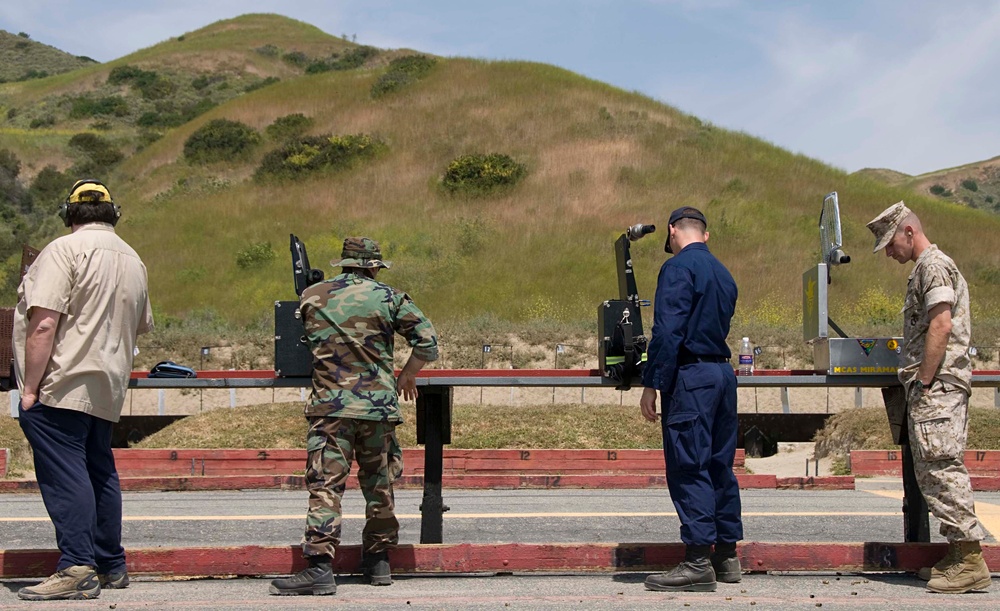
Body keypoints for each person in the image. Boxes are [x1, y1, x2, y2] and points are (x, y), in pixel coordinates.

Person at [270, 237, 438, 596]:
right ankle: (378, 561)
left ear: (344, 264)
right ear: (373, 266)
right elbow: (428, 341)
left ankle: (319, 567)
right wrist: (407, 374)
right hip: (377, 410)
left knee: (326, 485)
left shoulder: (312, 296)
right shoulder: (391, 297)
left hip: (331, 408)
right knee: (379, 486)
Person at [12, 179, 154, 601]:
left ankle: (76, 566)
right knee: (99, 471)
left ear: (69, 213)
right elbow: (140, 324)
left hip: (61, 380)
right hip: (106, 384)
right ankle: (110, 563)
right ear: (114, 212)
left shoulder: (62, 251)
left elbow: (43, 324)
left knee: (65, 474)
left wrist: (29, 390)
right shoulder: (133, 258)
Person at [867, 201, 990, 594]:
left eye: (890, 243)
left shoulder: (933, 266)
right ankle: (959, 552)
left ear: (908, 231)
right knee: (933, 469)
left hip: (937, 388)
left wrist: (923, 380)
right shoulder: (928, 267)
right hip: (938, 385)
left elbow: (941, 321)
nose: (889, 252)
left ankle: (970, 559)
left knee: (940, 468)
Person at [638, 206, 741, 593]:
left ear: (671, 232)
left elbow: (668, 331)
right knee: (719, 464)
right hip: (722, 376)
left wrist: (653, 383)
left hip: (692, 378)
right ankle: (726, 556)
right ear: (706, 235)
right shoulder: (724, 273)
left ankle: (698, 561)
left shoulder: (678, 268)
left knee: (688, 464)